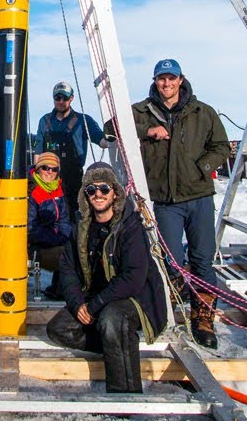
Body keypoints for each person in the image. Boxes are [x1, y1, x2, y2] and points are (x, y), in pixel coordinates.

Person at [130, 58, 231, 350]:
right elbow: (111, 129)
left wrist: (202, 167)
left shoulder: (202, 112)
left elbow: (222, 146)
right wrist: (147, 132)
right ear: (155, 80)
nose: (167, 84)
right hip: (165, 200)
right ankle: (169, 313)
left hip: (198, 196)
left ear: (181, 80)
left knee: (202, 258)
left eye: (171, 78)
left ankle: (202, 318)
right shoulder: (141, 112)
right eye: (162, 79)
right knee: (170, 260)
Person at [47, 162, 167, 393]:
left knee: (111, 319)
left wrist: (95, 306)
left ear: (115, 193)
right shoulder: (81, 227)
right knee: (59, 328)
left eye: (104, 189)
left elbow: (133, 277)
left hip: (134, 298)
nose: (98, 195)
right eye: (91, 190)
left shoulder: (130, 226)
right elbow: (68, 268)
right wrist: (77, 303)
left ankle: (125, 395)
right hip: (98, 296)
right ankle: (117, 344)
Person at [32, 81, 108, 221]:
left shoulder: (83, 120)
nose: (61, 101)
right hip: (48, 178)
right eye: (57, 98)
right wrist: (35, 179)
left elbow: (102, 141)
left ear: (71, 98)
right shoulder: (45, 120)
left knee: (74, 216)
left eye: (65, 98)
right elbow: (38, 151)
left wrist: (113, 135)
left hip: (74, 178)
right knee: (48, 216)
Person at [27, 151, 71, 300]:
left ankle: (61, 288)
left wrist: (64, 236)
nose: (49, 172)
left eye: (54, 169)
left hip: (57, 240)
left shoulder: (58, 188)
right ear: (38, 168)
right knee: (68, 254)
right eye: (45, 168)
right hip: (37, 247)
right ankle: (60, 290)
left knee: (78, 248)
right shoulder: (32, 191)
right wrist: (58, 238)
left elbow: (64, 218)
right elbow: (31, 228)